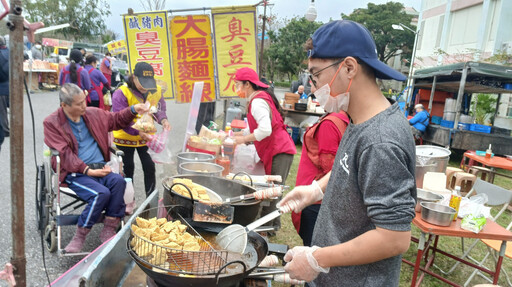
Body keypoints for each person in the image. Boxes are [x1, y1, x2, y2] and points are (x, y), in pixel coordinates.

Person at [277, 20, 416, 286]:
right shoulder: (358, 119)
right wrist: (316, 189)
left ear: (349, 68)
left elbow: (394, 237)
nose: (314, 85)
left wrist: (318, 259)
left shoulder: (381, 141)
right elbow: (353, 169)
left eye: (316, 75)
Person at [43, 83, 149, 253]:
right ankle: (80, 235)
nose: (84, 105)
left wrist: (133, 109)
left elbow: (116, 120)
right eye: (79, 104)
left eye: (84, 101)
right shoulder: (52, 122)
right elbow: (64, 154)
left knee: (119, 182)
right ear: (64, 105)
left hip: (102, 168)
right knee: (101, 193)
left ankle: (108, 228)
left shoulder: (94, 114)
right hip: (76, 172)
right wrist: (86, 170)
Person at [233, 67, 296, 230]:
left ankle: (264, 230)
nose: (237, 88)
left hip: (279, 150)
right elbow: (256, 127)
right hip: (276, 149)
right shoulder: (257, 99)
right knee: (274, 191)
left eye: (238, 84)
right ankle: (273, 226)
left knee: (272, 193)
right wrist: (240, 134)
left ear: (247, 84)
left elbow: (265, 130)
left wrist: (244, 139)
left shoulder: (258, 101)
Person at [112, 62, 171, 196]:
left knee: (149, 167)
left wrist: (163, 120)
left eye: (148, 82)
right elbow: (120, 120)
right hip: (124, 137)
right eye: (142, 82)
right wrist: (137, 132)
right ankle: (128, 200)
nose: (145, 87)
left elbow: (159, 109)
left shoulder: (156, 90)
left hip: (147, 137)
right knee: (128, 169)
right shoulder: (121, 93)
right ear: (134, 78)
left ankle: (150, 200)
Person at [291, 111, 349, 247]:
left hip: (316, 201)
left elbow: (330, 166)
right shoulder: (344, 120)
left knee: (314, 249)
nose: (312, 89)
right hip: (325, 197)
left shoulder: (330, 124)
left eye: (314, 87)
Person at [0, 36, 9, 139]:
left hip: (1, 87)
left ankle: (5, 130)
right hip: (11, 86)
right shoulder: (9, 51)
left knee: (2, 111)